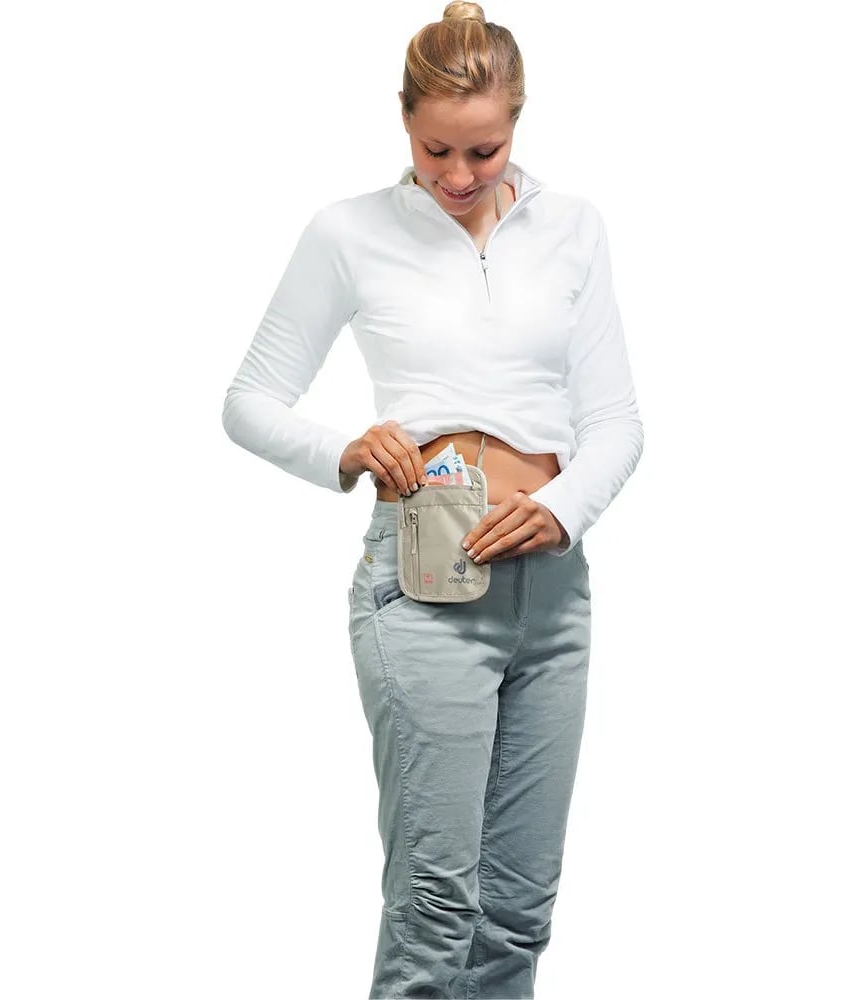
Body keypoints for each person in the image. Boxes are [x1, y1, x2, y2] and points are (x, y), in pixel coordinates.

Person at [221, 2, 644, 995]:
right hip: (425, 583)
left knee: (518, 912)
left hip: (554, 593)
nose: (458, 175)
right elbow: (247, 401)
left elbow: (616, 419)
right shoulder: (349, 231)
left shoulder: (573, 228)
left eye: (484, 151)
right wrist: (344, 447)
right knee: (435, 906)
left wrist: (564, 507)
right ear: (404, 121)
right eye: (435, 150)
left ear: (518, 122)